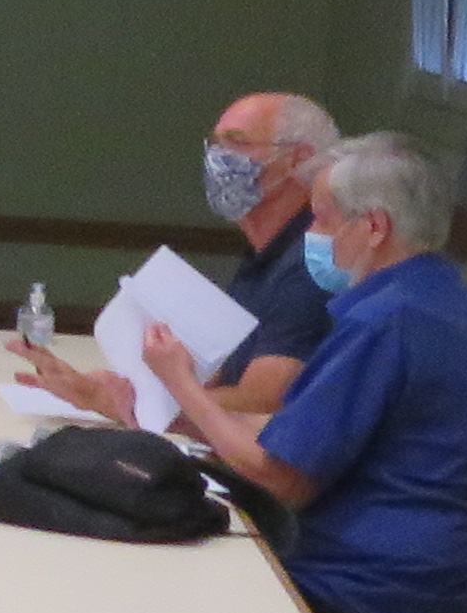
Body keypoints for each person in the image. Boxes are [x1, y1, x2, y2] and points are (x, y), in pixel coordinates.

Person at [141, 131, 467, 613]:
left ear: (373, 227)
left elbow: (280, 478)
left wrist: (181, 384)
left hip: (371, 609)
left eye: (321, 220)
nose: (311, 236)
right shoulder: (451, 304)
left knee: (162, 591)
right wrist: (159, 410)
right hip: (425, 601)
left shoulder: (386, 323)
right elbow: (290, 433)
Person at [21, 90, 342, 424]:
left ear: (298, 159)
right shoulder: (264, 253)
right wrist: (107, 391)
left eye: (237, 143)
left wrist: (130, 405)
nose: (217, 159)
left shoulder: (310, 265)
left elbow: (261, 404)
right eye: (214, 144)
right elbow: (223, 374)